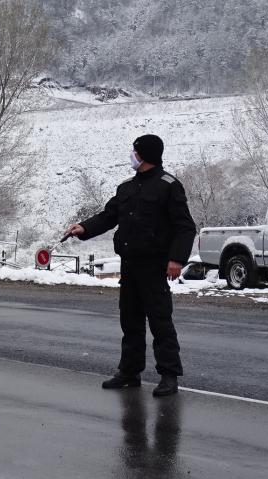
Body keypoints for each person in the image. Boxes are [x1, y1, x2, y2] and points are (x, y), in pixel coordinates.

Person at [65, 134, 196, 397]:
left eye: (135, 151)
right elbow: (109, 216)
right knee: (130, 320)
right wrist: (84, 228)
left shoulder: (168, 185)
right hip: (130, 264)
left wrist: (176, 260)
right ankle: (129, 372)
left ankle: (169, 376)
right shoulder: (126, 187)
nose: (131, 155)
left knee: (160, 321)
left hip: (155, 265)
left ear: (145, 154)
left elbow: (185, 226)